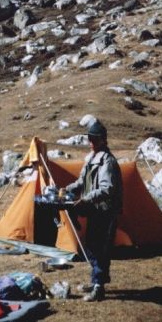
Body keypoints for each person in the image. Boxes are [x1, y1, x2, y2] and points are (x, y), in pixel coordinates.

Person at [65, 119, 122, 302]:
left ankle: (99, 287)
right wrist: (67, 189)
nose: (91, 142)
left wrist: (86, 198)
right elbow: (82, 181)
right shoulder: (90, 158)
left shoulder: (108, 161)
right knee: (91, 245)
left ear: (103, 140)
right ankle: (97, 280)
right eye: (89, 139)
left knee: (100, 248)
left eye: (94, 139)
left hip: (105, 210)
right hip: (95, 210)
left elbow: (108, 189)